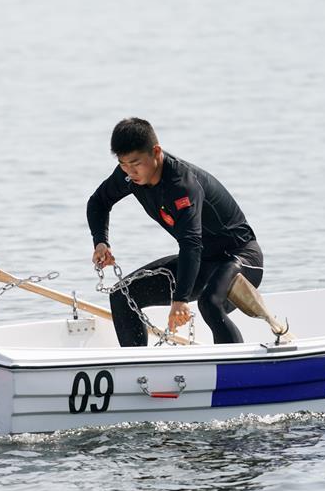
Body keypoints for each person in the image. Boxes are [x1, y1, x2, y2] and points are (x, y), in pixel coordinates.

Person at [87, 117, 264, 347]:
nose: (130, 172)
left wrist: (180, 299)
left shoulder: (182, 185)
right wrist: (101, 242)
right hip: (203, 261)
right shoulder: (128, 175)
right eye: (123, 164)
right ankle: (138, 370)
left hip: (241, 257)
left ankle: (235, 371)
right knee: (123, 295)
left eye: (135, 163)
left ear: (156, 152)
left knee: (210, 304)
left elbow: (191, 244)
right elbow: (98, 201)